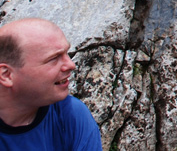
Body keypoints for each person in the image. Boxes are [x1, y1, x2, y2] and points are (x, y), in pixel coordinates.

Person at [0, 18, 101, 150]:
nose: (71, 65)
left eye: (67, 53)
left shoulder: (70, 116)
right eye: (54, 59)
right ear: (6, 75)